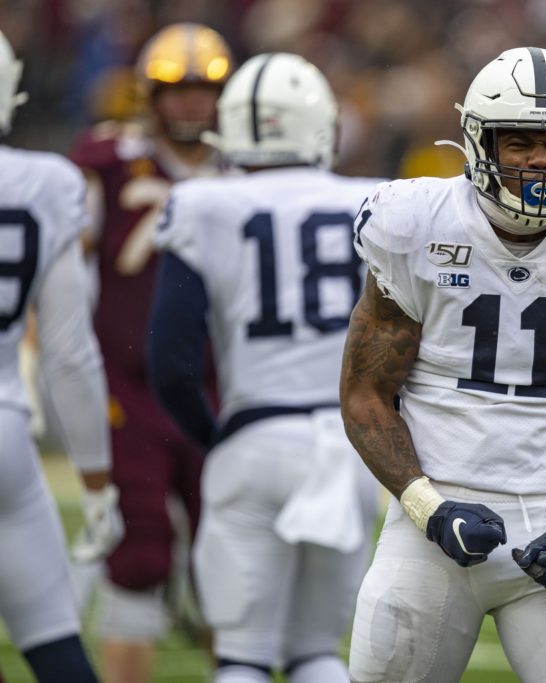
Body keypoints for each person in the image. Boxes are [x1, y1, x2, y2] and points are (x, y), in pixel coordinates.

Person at [340, 46, 546, 683]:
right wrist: (429, 509)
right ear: (479, 143)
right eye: (519, 142)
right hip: (430, 530)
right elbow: (365, 396)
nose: (541, 160)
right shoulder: (416, 224)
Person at [147, 52, 379, 683]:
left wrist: (217, 438)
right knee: (317, 654)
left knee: (243, 656)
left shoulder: (202, 204)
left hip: (256, 435)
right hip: (350, 445)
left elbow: (170, 363)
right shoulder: (376, 201)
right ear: (322, 125)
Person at [68, 22, 232, 683]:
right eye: (176, 89)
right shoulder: (106, 163)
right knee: (137, 551)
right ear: (150, 95)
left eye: (204, 89)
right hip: (128, 384)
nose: (191, 103)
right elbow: (66, 267)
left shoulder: (244, 167)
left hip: (218, 384)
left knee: (229, 551)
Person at [0, 28, 122, 683]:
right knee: (57, 650)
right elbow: (69, 352)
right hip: (6, 439)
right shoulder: (46, 183)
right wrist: (97, 481)